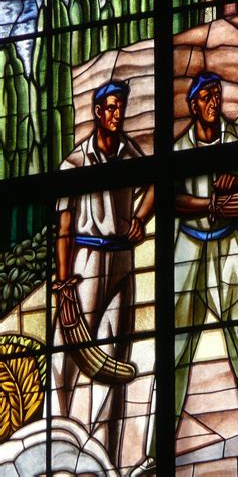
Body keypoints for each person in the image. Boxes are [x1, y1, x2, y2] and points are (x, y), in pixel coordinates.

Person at [132, 72, 238, 475]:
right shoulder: (178, 148)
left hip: (230, 246)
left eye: (217, 94)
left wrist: (236, 179)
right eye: (206, 96)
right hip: (190, 246)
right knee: (175, 348)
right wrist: (207, 206)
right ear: (193, 105)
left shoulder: (236, 137)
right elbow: (171, 198)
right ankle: (156, 450)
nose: (213, 101)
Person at [52, 80, 155, 465]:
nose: (116, 115)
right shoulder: (74, 164)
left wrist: (141, 219)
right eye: (110, 108)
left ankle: (104, 456)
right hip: (85, 262)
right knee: (67, 353)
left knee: (113, 355)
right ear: (97, 112)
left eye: (120, 108)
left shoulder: (131, 154)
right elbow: (63, 227)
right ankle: (57, 437)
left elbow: (157, 184)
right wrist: (63, 284)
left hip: (121, 262)